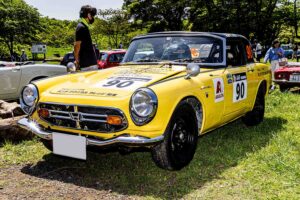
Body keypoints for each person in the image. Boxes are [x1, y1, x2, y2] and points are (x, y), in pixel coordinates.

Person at [74, 5, 98, 71]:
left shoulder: (84, 26)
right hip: (87, 65)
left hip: (90, 63)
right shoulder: (81, 27)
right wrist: (77, 61)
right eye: (92, 15)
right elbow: (77, 45)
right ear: (88, 15)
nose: (93, 17)